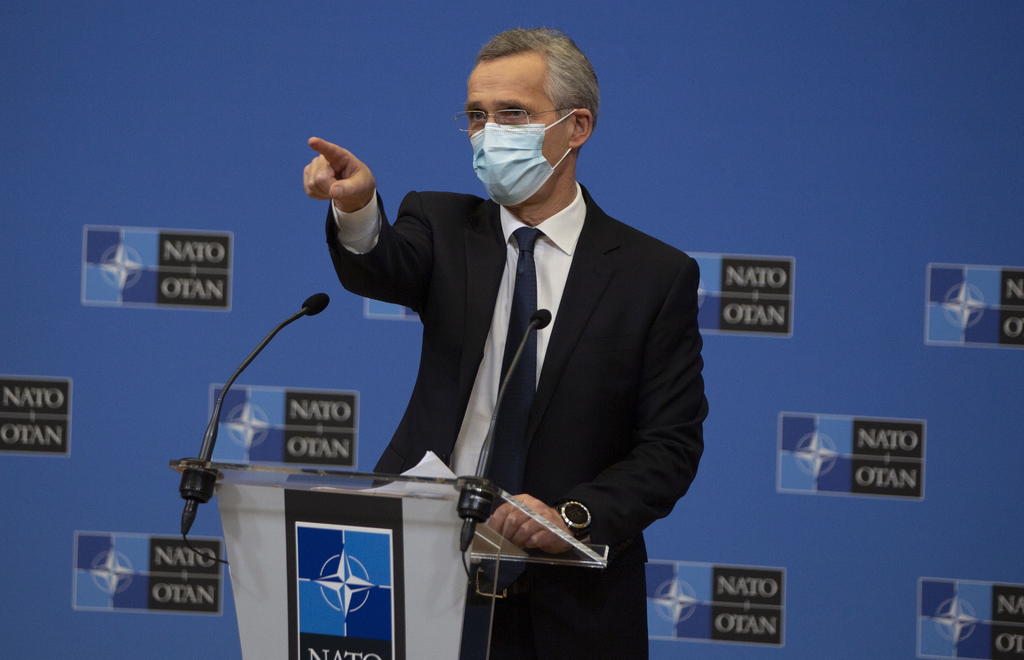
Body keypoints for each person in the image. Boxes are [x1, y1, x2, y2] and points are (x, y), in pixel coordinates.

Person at [303, 27, 707, 659]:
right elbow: (381, 265)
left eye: (512, 113)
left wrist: (570, 517)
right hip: (418, 574)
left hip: (567, 598)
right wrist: (355, 210)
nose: (489, 133)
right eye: (476, 116)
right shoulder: (442, 224)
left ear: (577, 127)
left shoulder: (653, 276)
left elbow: (670, 447)